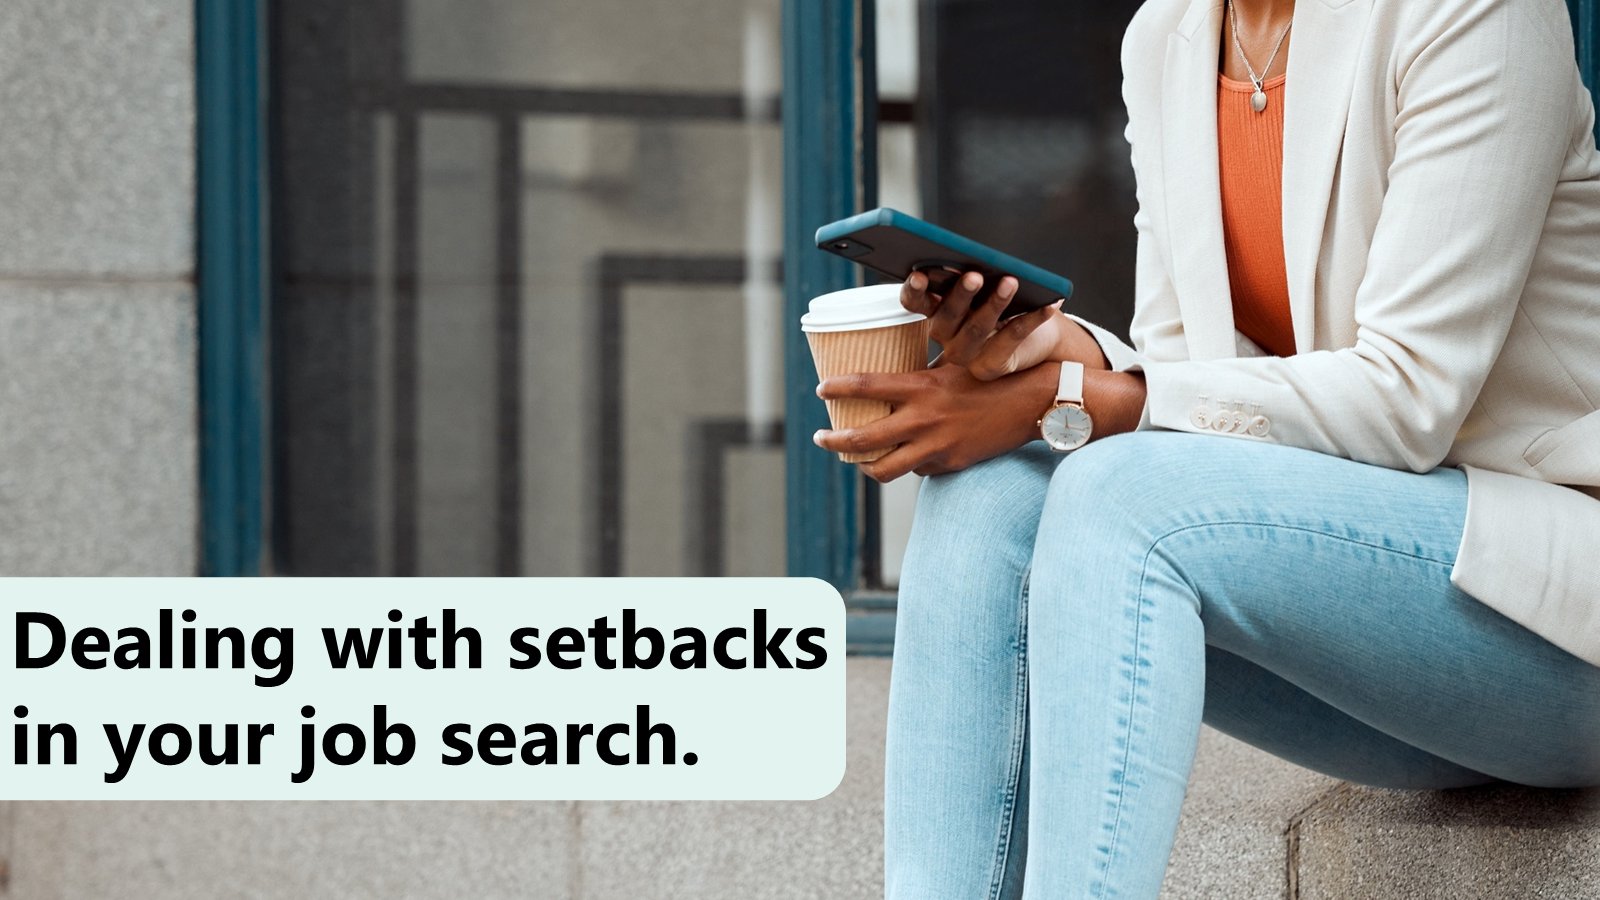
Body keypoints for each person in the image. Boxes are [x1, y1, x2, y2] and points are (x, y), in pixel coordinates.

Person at [811, 0, 1600, 896]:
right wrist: (1060, 357)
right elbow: (1192, 381)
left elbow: (1406, 397)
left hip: (1556, 607)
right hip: (1390, 666)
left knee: (1119, 495)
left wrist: (1069, 400)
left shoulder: (1472, 14)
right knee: (988, 492)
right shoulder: (1167, 37)